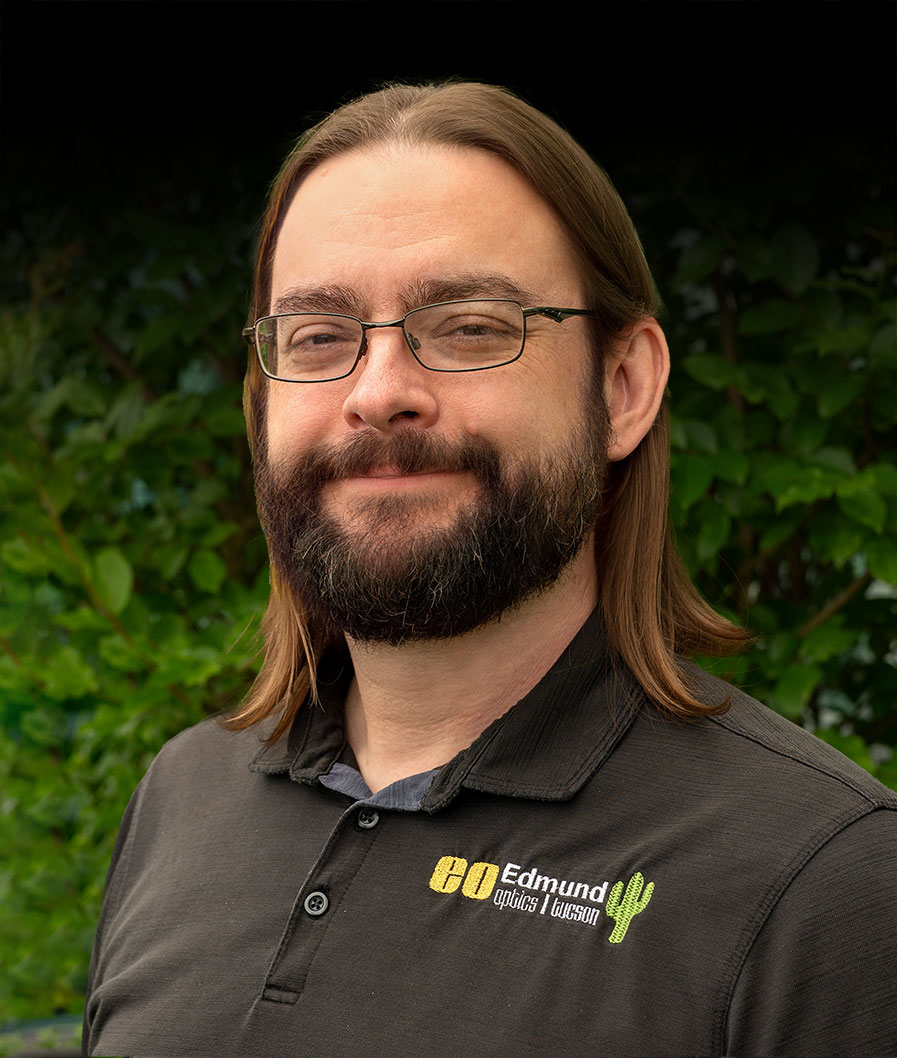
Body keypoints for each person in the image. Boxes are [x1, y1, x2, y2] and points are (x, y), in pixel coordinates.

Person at [82, 82, 897, 1058]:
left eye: (468, 325)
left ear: (622, 386)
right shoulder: (186, 793)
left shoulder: (825, 886)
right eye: (320, 336)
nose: (378, 392)